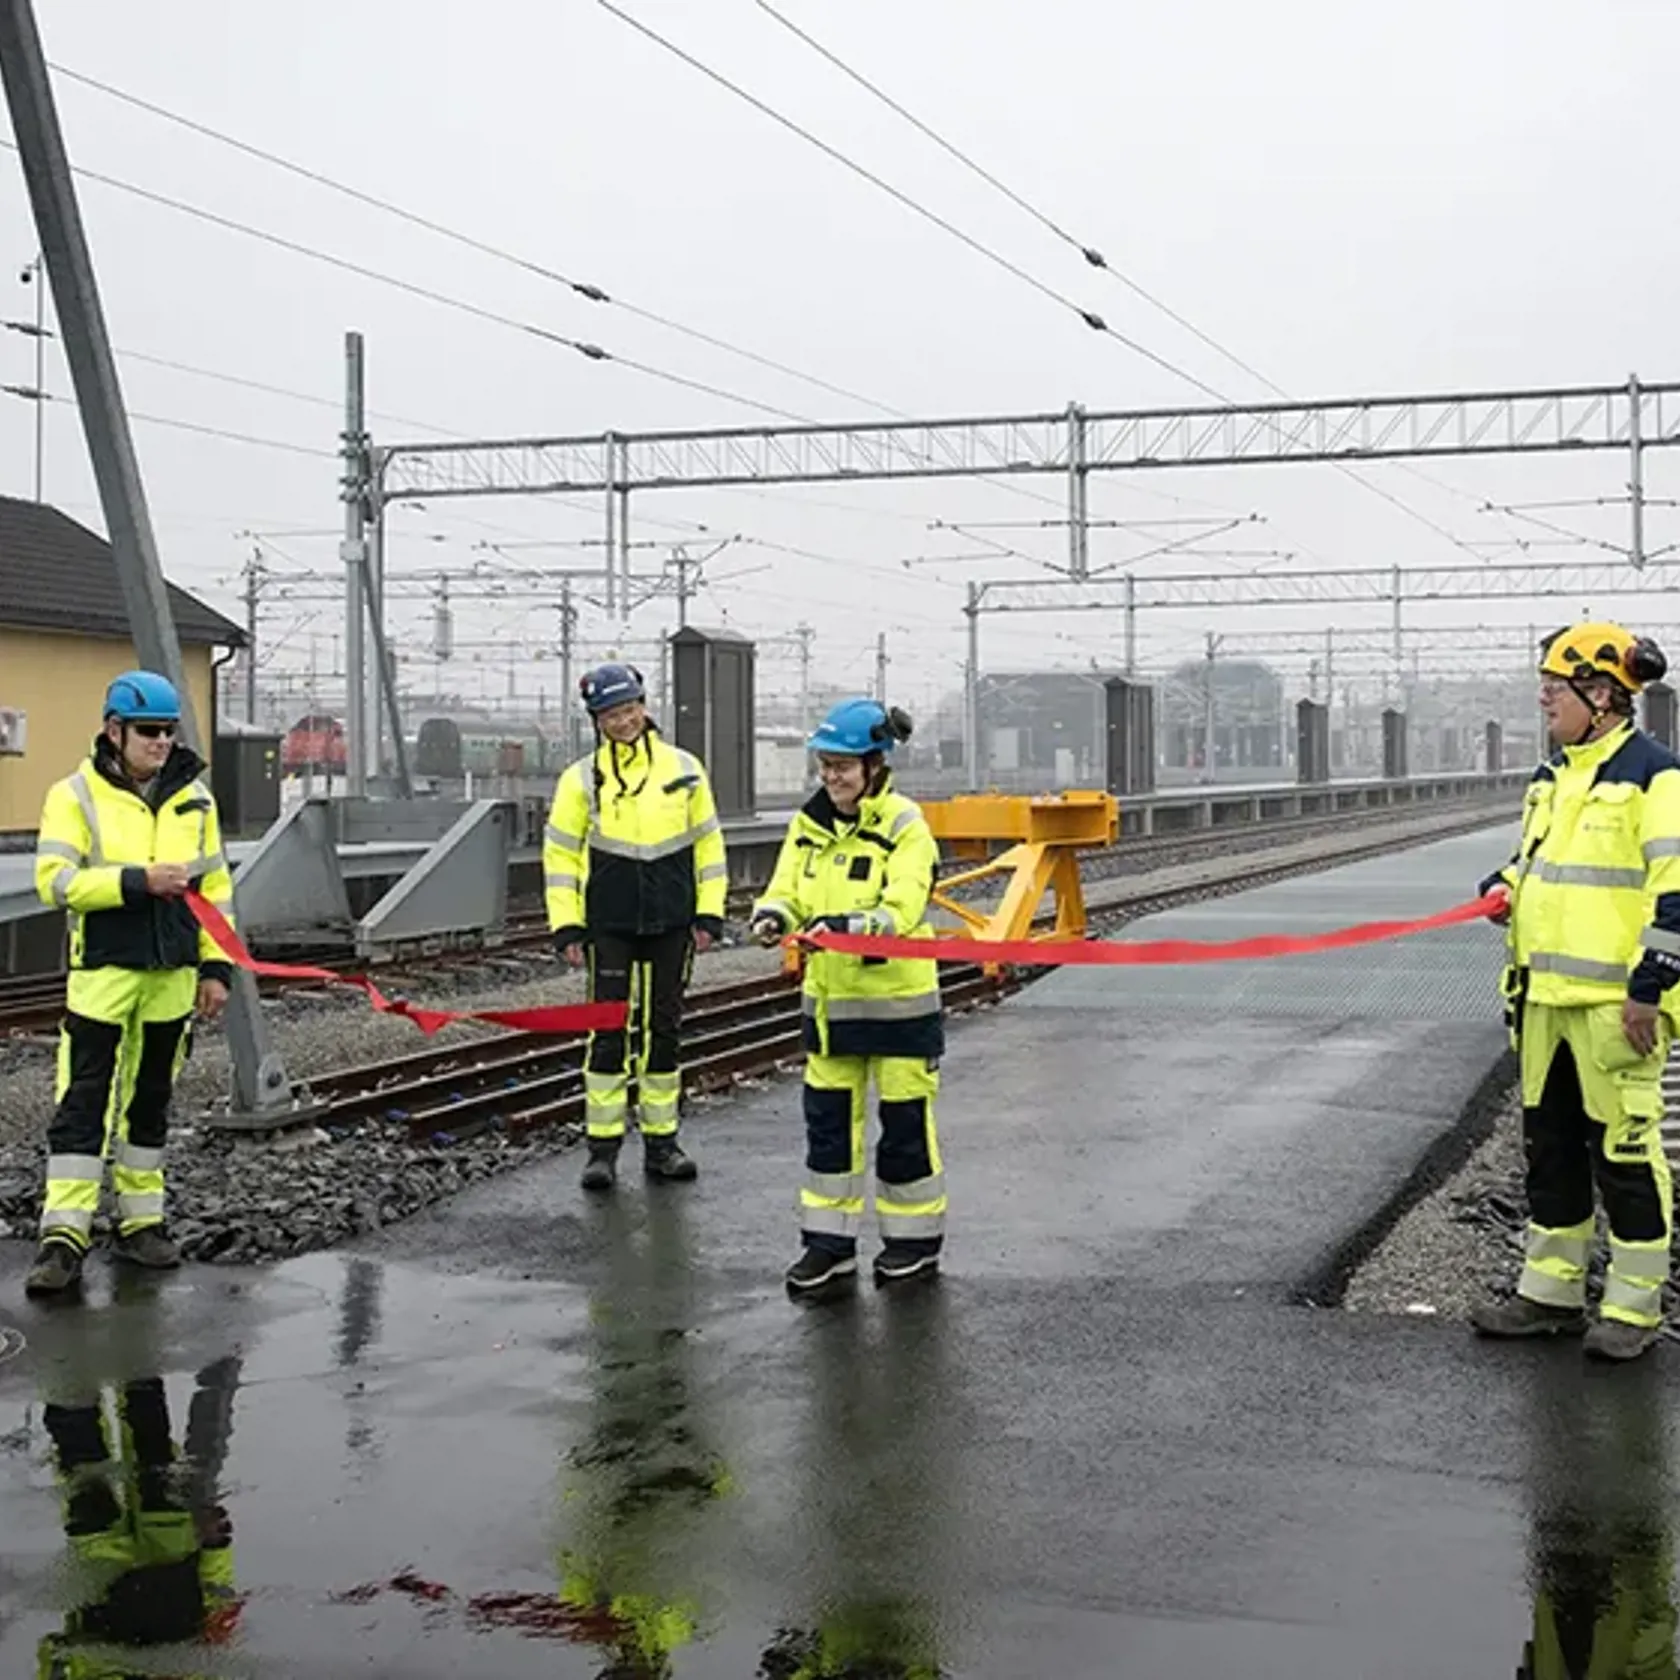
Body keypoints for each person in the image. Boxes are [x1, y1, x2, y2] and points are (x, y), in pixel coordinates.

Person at [1471, 621, 1680, 1361]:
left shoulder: (1656, 777)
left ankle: (1632, 1311)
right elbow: (1541, 866)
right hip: (1544, 1004)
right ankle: (1550, 1296)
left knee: (1623, 1159)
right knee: (1550, 1151)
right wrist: (1503, 884)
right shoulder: (1553, 777)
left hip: (1614, 1010)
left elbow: (1675, 892)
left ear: (1602, 695)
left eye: (1554, 689)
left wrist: (1649, 989)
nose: (1542, 699)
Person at [25, 671, 236, 1299]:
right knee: (83, 1105)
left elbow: (216, 890)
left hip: (171, 978)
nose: (161, 743)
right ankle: (64, 1236)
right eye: (149, 731)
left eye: (169, 732)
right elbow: (55, 882)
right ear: (114, 731)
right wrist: (136, 881)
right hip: (104, 977)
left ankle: (141, 1224)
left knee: (149, 1105)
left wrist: (216, 969)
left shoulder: (195, 801)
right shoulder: (74, 796)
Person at [749, 698, 946, 1294]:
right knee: (829, 1132)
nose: (831, 776)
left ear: (875, 765)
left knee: (905, 1127)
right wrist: (773, 916)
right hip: (831, 1014)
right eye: (825, 764)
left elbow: (905, 904)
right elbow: (786, 890)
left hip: (898, 1013)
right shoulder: (807, 827)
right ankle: (827, 1247)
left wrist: (859, 925)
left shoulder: (905, 826)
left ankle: (911, 1244)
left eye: (843, 765)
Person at [543, 661, 727, 1191]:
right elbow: (559, 857)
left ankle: (662, 1144)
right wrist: (567, 927)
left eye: (628, 710)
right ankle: (601, 1151)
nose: (622, 721)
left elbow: (709, 847)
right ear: (596, 720)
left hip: (673, 922)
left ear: (644, 706)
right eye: (610, 714)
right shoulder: (579, 779)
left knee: (663, 1031)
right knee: (608, 1031)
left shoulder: (685, 768)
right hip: (609, 925)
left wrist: (709, 911)